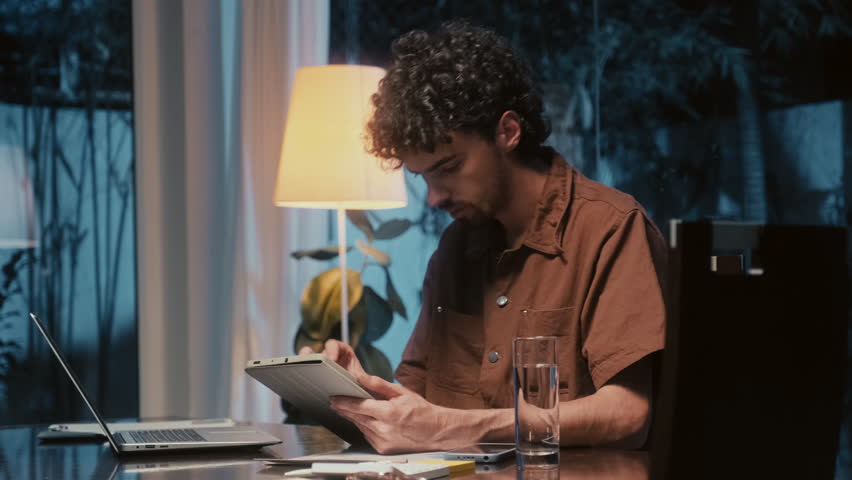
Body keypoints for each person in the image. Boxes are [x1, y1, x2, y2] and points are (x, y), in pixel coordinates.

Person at [301, 20, 668, 454]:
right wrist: (363, 393)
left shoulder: (610, 229)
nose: (434, 198)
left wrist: (465, 427)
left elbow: (628, 412)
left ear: (508, 132)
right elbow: (419, 406)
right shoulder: (455, 248)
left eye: (449, 168)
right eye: (422, 178)